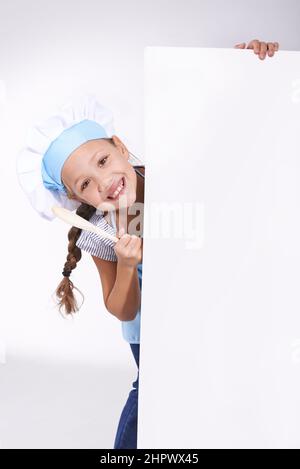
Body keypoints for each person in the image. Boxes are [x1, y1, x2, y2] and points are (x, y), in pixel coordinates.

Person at [15, 38, 280, 449]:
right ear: (77, 199)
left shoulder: (173, 175)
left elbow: (226, 140)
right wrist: (125, 266)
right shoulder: (99, 230)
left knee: (218, 392)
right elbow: (123, 308)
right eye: (85, 183)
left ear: (119, 147)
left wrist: (243, 69)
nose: (103, 182)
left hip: (207, 314)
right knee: (153, 394)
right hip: (151, 335)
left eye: (103, 161)